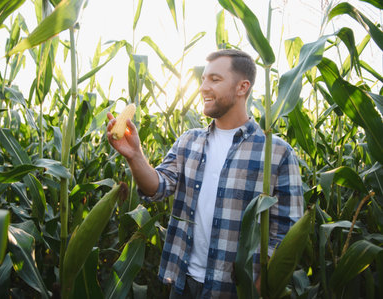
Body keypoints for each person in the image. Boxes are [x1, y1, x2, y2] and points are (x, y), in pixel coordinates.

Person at [106, 49, 304, 298]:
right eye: (203, 79)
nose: (203, 88)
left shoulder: (276, 153)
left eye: (215, 80)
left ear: (242, 87)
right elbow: (157, 188)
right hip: (182, 281)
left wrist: (255, 290)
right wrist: (134, 155)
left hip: (234, 290)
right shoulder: (189, 141)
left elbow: (286, 233)